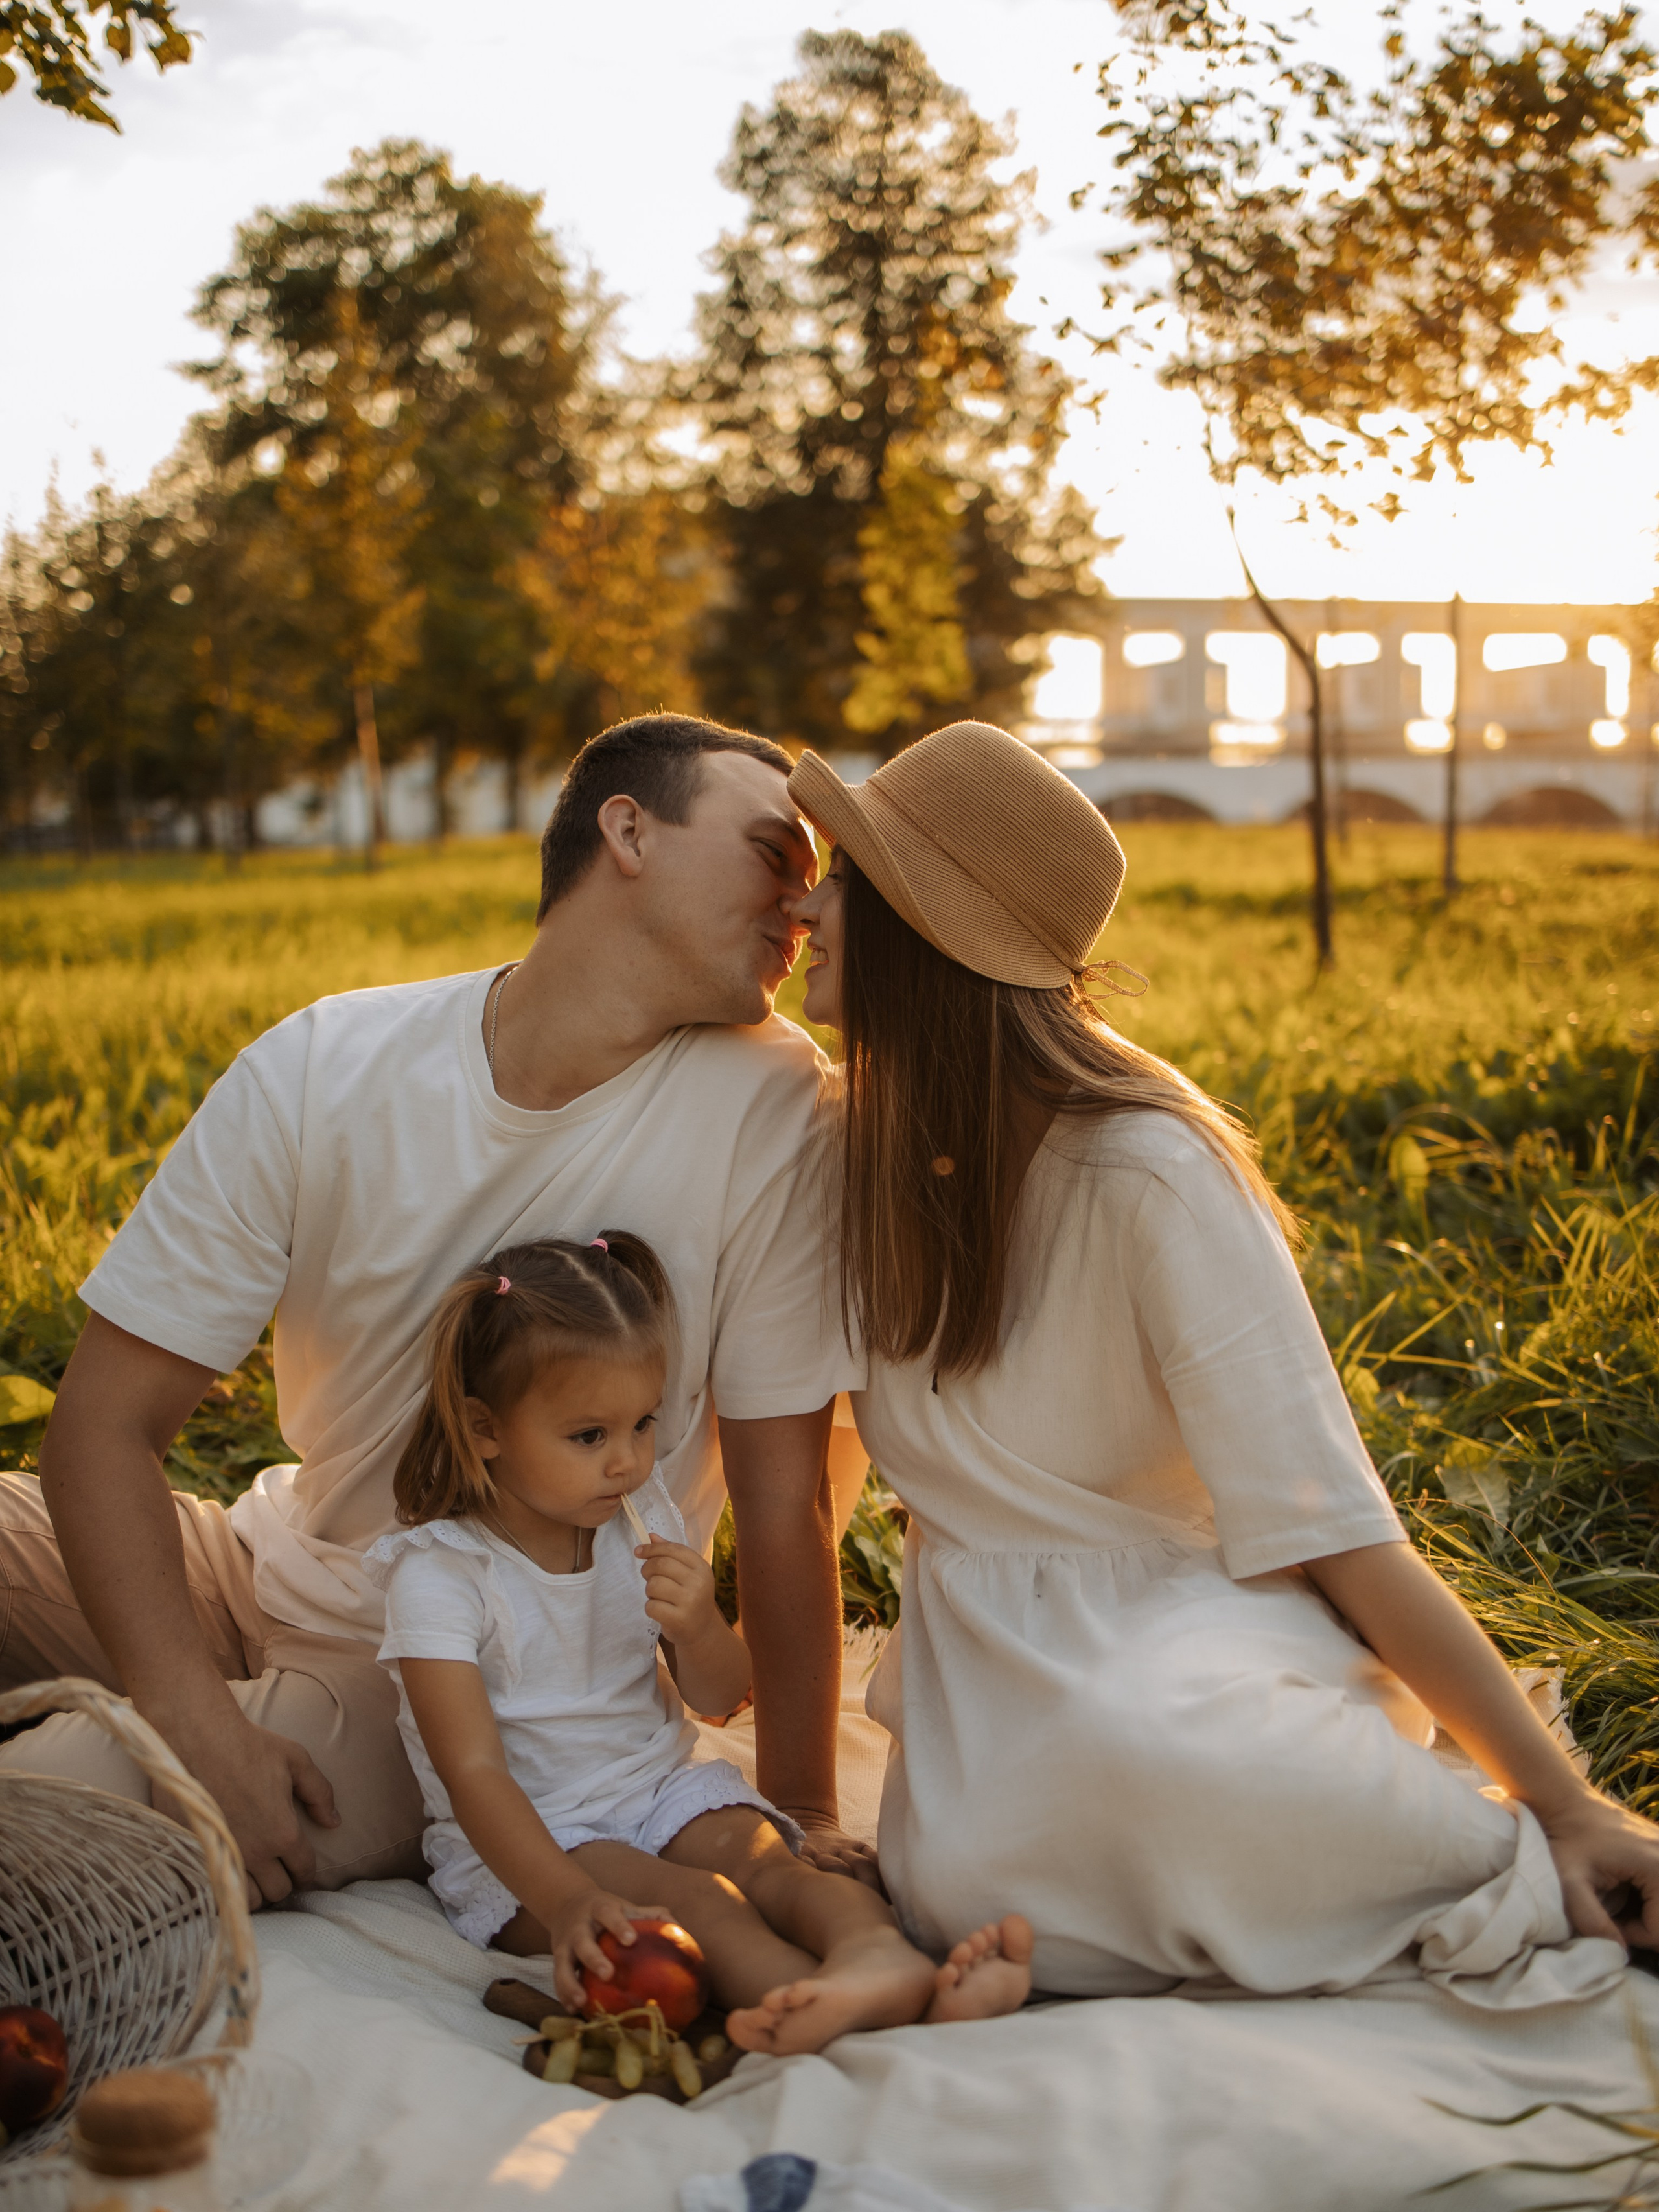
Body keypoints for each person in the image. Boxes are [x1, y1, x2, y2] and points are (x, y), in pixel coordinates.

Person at [784, 717, 1658, 2007]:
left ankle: (1525, 1859)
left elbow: (1336, 1526)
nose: (807, 901)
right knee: (966, 1879)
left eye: (845, 879)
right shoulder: (845, 1152)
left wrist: (1561, 1795)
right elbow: (822, 1481)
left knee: (1149, 1747)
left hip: (1184, 1628)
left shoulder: (1149, 1167)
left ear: (928, 934)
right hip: (981, 1670)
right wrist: (793, 1794)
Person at [0, 715, 871, 1907]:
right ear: (629, 830)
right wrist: (195, 1717)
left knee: (43, 1809)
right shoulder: (325, 1062)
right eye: (778, 852)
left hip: (455, 1664)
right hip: (260, 1559)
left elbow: (788, 1498)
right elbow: (102, 1424)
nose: (804, 903)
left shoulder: (774, 1109)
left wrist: (804, 1812)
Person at [367, 1229, 1027, 2049]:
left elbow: (719, 1699)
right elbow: (472, 1775)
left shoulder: (638, 1526)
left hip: (656, 1786)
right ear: (484, 1427)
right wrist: (567, 1897)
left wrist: (700, 1627)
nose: (627, 1462)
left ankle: (877, 1955)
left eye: (642, 1424)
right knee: (700, 1899)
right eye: (588, 1436)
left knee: (768, 1862)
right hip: (537, 1843)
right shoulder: (440, 1575)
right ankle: (827, 2000)